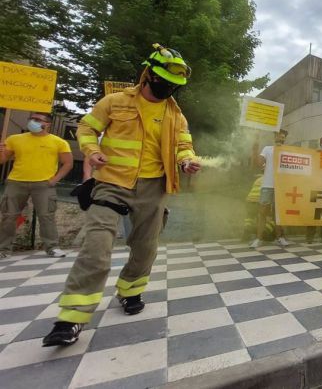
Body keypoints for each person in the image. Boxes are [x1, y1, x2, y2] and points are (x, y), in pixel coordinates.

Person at [43, 44, 200, 347]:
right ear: (149, 76)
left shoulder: (176, 116)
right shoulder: (114, 101)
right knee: (96, 246)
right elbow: (87, 129)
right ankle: (71, 318)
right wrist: (92, 150)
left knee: (146, 247)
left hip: (153, 188)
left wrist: (186, 160)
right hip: (111, 183)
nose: (169, 89)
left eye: (174, 86)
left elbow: (184, 145)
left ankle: (130, 291)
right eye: (165, 82)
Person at [0, 112, 73, 258]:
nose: (33, 121)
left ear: (47, 124)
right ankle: (3, 249)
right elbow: (2, 160)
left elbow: (68, 163)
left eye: (37, 119)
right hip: (16, 182)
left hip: (44, 185)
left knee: (46, 216)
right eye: (31, 119)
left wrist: (54, 180)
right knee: (9, 216)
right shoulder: (14, 139)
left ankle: (52, 247)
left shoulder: (59, 142)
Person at [249, 129, 291, 249]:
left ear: (285, 138)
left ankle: (280, 238)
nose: (280, 138)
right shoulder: (267, 149)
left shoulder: (289, 151)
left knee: (279, 214)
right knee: (262, 213)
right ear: (275, 137)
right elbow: (259, 164)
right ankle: (258, 239)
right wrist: (255, 148)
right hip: (267, 185)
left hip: (281, 187)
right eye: (278, 136)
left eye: (282, 136)